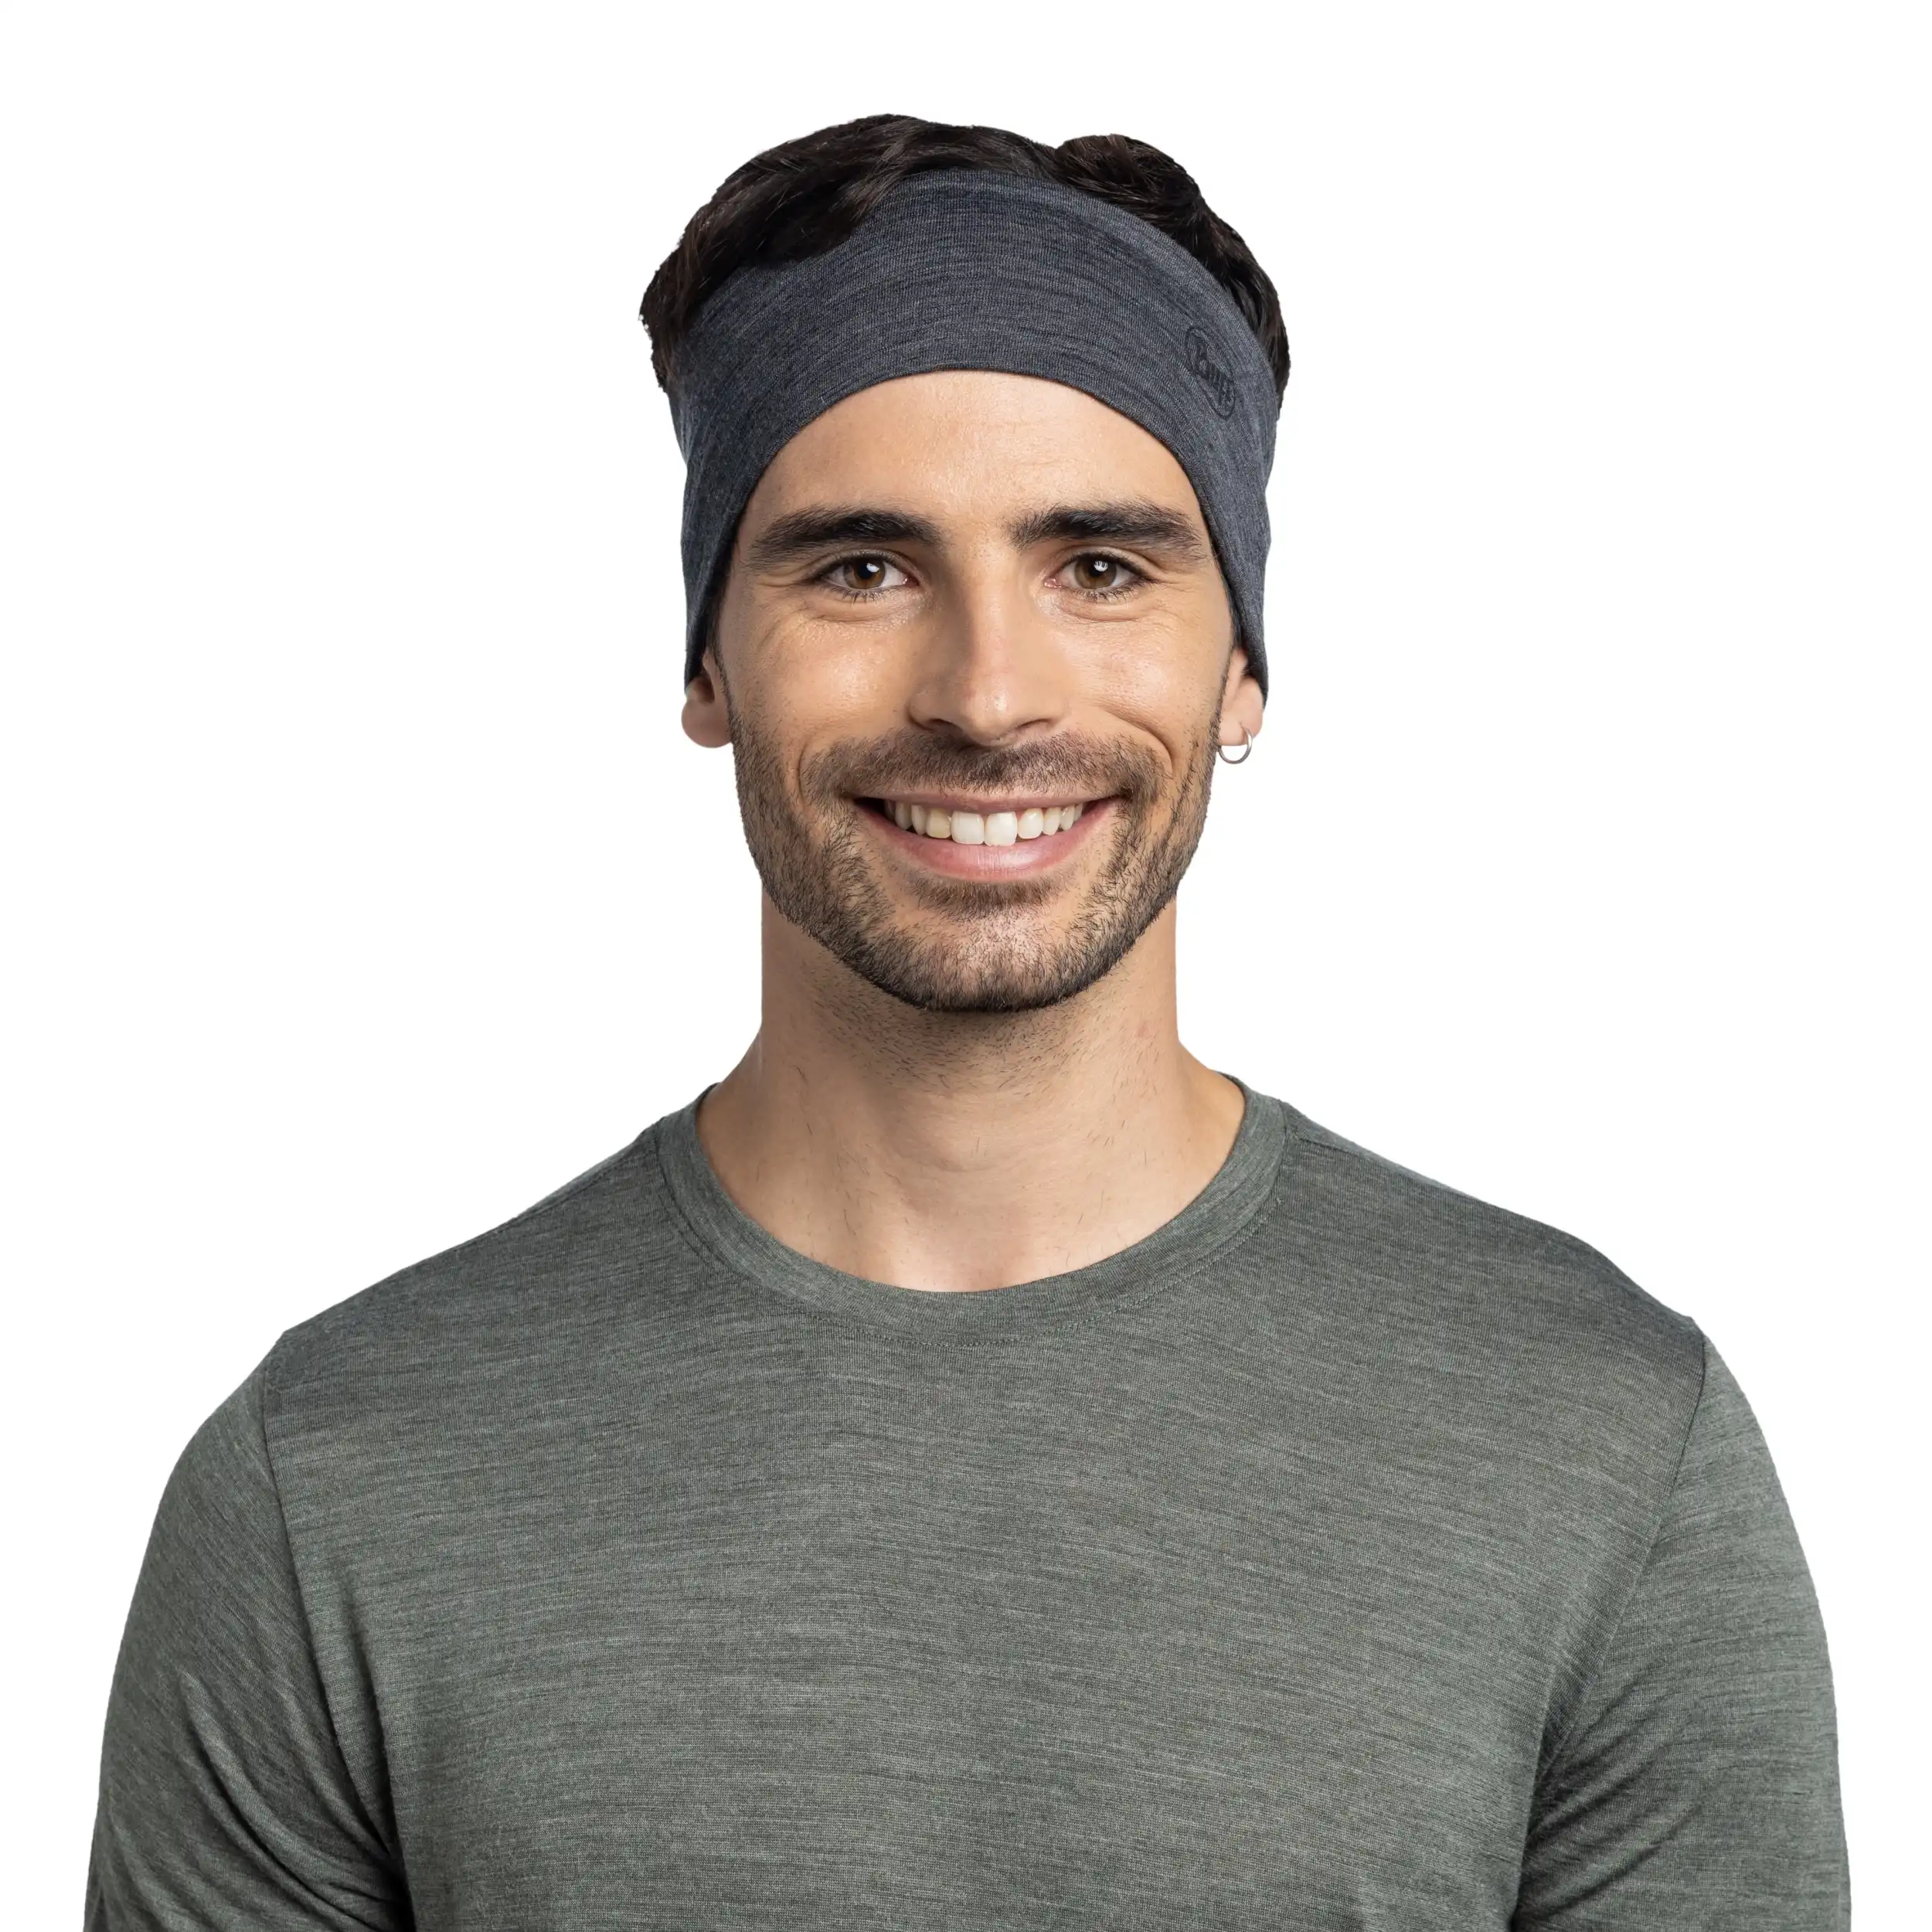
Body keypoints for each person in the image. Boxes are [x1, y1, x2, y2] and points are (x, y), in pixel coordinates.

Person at [86, 114, 1849, 1928]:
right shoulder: (335, 1483)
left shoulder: (1599, 1445)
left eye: (1100, 566)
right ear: (707, 659)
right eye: (861, 567)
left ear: (1241, 661)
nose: (989, 696)